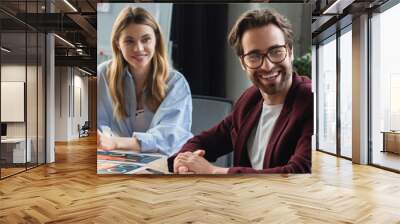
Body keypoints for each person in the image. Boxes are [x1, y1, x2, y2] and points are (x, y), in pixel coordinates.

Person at [168, 8, 312, 174]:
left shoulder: (311, 101)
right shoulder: (250, 99)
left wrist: (214, 172)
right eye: (254, 56)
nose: (268, 65)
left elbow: (299, 172)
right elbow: (205, 141)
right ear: (243, 63)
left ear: (290, 51)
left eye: (276, 51)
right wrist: (183, 160)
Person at [97, 6, 192, 156]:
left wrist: (116, 142)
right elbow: (98, 125)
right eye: (129, 41)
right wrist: (103, 138)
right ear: (117, 43)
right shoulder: (102, 74)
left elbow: (169, 137)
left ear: (156, 40)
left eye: (146, 39)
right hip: (115, 159)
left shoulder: (176, 83)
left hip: (162, 163)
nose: (138, 48)